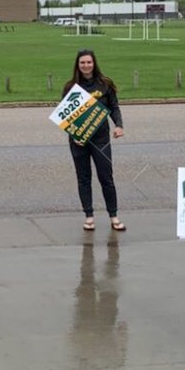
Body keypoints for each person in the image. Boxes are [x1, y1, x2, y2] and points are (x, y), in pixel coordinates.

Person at [62, 48, 126, 232]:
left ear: (94, 63)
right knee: (84, 178)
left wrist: (119, 125)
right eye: (82, 62)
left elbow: (114, 107)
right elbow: (66, 115)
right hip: (79, 141)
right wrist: (75, 135)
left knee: (106, 177)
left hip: (101, 139)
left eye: (89, 62)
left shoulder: (105, 84)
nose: (86, 65)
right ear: (77, 65)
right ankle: (89, 216)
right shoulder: (70, 87)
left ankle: (114, 216)